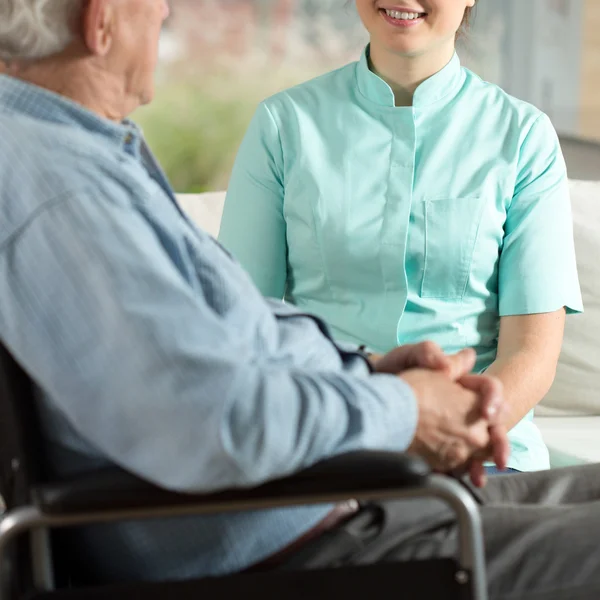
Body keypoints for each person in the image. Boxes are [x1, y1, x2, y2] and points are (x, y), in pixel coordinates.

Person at [0, 2, 599, 599]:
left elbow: (237, 335)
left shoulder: (84, 155)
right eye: (154, 1)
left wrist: (364, 375)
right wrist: (405, 412)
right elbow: (213, 419)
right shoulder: (65, 192)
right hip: (309, 525)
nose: (165, 12)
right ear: (101, 22)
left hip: (336, 485)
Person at [218, 0, 583, 474]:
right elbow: (245, 325)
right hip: (330, 446)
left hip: (479, 450)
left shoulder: (524, 138)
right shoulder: (283, 126)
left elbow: (530, 353)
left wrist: (461, 433)